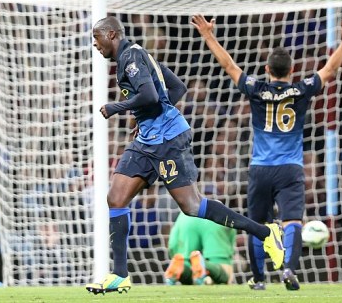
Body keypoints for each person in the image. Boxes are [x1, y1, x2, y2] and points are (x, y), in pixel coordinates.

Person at [85, 16, 284, 295]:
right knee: (115, 197)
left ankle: (266, 234)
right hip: (147, 140)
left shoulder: (130, 58)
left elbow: (151, 96)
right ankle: (119, 275)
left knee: (192, 207)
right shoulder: (140, 54)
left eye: (97, 38)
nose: (95, 44)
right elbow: (177, 87)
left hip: (168, 140)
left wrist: (117, 107)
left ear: (111, 34)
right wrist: (146, 120)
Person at [190, 14, 342, 291]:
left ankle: (259, 279)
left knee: (257, 223)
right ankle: (289, 270)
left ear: (267, 68)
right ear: (291, 70)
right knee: (292, 220)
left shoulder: (256, 89)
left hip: (260, 168)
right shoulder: (301, 89)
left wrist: (209, 35)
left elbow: (228, 65)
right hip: (290, 168)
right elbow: (330, 70)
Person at [164, 212, 236, 285]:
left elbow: (173, 244)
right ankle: (205, 266)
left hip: (186, 216)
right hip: (213, 214)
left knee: (185, 263)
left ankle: (182, 268)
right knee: (226, 273)